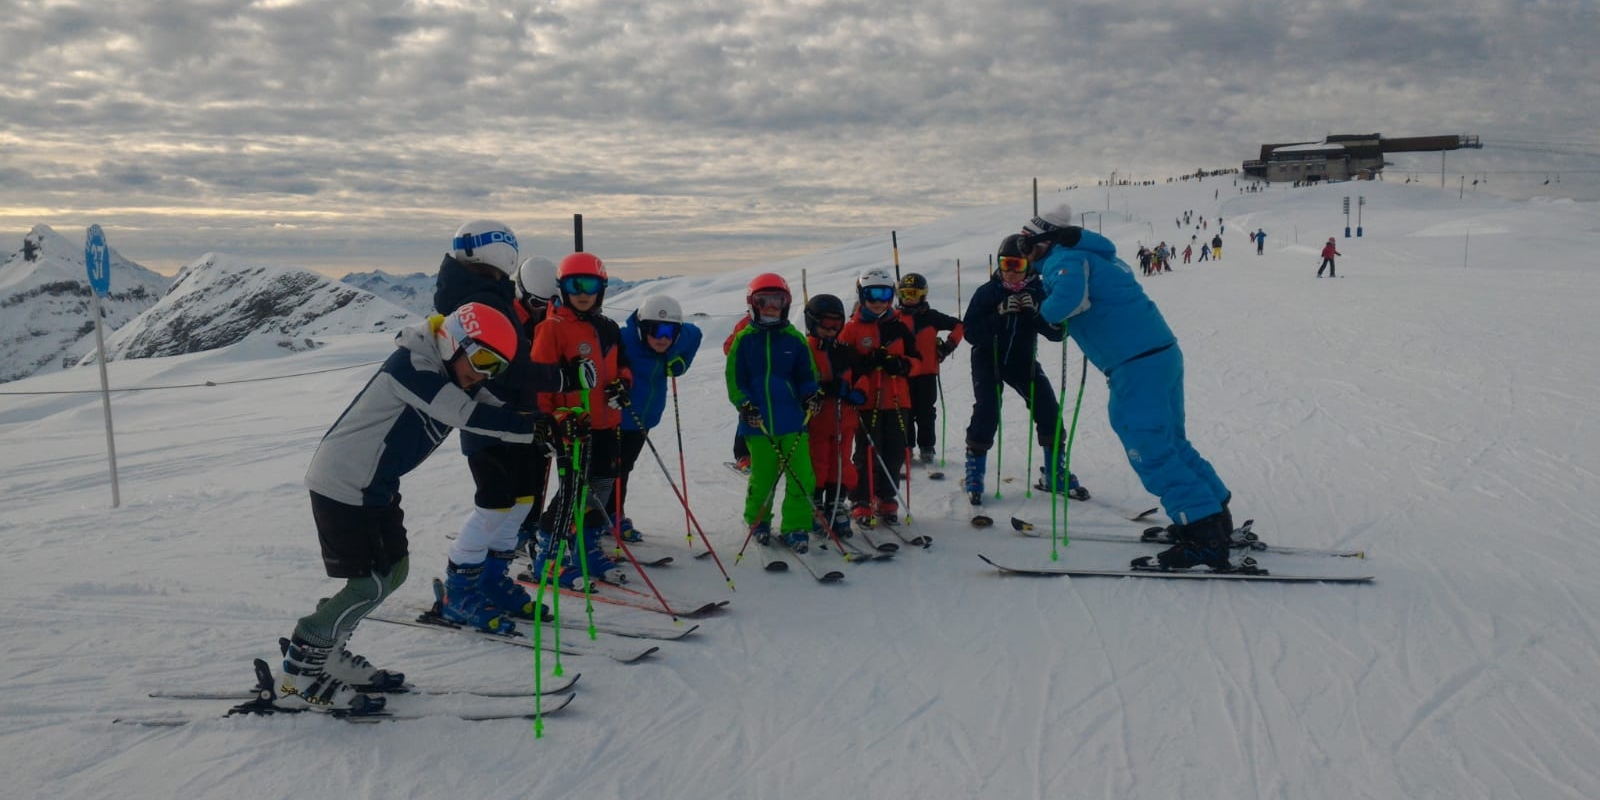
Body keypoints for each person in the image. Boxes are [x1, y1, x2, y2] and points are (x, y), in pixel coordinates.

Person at [284, 302, 541, 712]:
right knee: (369, 583)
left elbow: (493, 406)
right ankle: (302, 668)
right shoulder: (413, 367)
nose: (483, 373)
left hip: (376, 485)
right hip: (344, 482)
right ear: (454, 342)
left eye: (496, 367)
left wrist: (549, 421)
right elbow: (467, 414)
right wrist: (533, 429)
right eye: (481, 360)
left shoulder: (452, 370)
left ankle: (328, 649)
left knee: (394, 573)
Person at [1026, 203, 1235, 572]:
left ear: (1048, 240)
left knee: (1148, 445)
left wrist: (1036, 308)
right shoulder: (1091, 253)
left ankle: (1204, 539)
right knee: (1171, 441)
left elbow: (1065, 304)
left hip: (1135, 364)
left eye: (1030, 243)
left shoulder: (1067, 260)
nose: (1026, 252)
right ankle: (1213, 517)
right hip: (1158, 354)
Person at [432, 221, 551, 628]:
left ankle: (491, 579)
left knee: (520, 500)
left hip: (513, 417)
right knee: (495, 502)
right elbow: (506, 367)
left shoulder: (481, 293)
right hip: (490, 418)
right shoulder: (480, 297)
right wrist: (556, 382)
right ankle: (459, 591)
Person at [528, 252, 634, 589]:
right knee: (573, 491)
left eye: (591, 285)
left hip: (606, 423)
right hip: (574, 426)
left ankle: (585, 548)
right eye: (575, 285)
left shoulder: (608, 328)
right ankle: (547, 554)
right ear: (562, 288)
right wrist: (552, 418)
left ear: (602, 289)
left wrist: (623, 385)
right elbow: (539, 381)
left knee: (601, 487)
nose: (583, 292)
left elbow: (622, 367)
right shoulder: (552, 328)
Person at [961, 238, 1084, 506]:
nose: (1011, 271)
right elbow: (970, 333)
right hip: (988, 358)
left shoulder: (1040, 291)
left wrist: (1037, 312)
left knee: (1048, 408)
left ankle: (1054, 473)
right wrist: (999, 315)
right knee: (988, 408)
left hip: (1022, 360)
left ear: (1029, 266)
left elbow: (1057, 333)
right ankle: (975, 471)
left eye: (1018, 264)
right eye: (1006, 264)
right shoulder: (988, 292)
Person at [725, 274, 821, 551]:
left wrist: (810, 396)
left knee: (802, 476)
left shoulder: (794, 340)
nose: (770, 306)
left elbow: (806, 376)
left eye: (777, 300)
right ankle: (758, 521)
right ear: (753, 303)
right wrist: (743, 405)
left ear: (786, 304)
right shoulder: (744, 340)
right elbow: (735, 380)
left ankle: (796, 525)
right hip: (759, 423)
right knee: (764, 477)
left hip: (793, 421)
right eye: (762, 300)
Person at [613, 294, 703, 541]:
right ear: (643, 327)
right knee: (610, 471)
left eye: (669, 331)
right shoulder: (624, 339)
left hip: (644, 419)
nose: (663, 338)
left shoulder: (678, 338)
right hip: (616, 417)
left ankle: (613, 516)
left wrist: (681, 362)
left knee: (624, 468)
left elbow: (695, 334)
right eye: (655, 330)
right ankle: (602, 518)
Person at [840, 267, 921, 526]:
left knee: (896, 452)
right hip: (867, 402)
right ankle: (861, 499)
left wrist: (901, 365)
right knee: (867, 452)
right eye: (871, 294)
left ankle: (886, 498)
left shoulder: (899, 327)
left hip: (898, 401)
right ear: (861, 295)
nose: (878, 301)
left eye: (884, 294)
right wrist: (865, 363)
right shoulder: (852, 329)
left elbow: (919, 361)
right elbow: (841, 364)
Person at [803, 294, 867, 539]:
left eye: (836, 325)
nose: (831, 331)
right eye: (825, 325)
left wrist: (859, 391)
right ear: (812, 322)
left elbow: (863, 375)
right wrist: (823, 388)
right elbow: (802, 379)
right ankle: (816, 504)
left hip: (845, 420)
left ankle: (837, 503)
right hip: (818, 421)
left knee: (842, 465)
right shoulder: (806, 350)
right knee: (818, 463)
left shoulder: (845, 351)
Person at [895, 273, 963, 466]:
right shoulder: (895, 317)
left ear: (922, 295)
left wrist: (947, 347)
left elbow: (959, 326)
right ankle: (906, 447)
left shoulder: (931, 317)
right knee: (904, 412)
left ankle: (927, 446)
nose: (909, 298)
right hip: (904, 373)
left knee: (926, 412)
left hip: (926, 373)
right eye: (905, 293)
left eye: (913, 293)